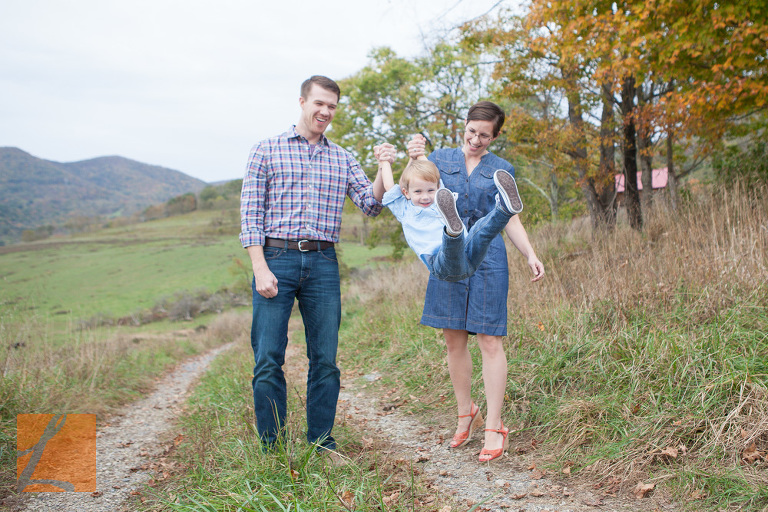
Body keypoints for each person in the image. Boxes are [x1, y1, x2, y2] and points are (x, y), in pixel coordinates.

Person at [239, 75, 383, 457]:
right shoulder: (266, 151)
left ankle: (322, 442)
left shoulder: (343, 157)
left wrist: (387, 168)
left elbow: (371, 204)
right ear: (302, 102)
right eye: (319, 103)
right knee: (268, 357)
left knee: (326, 359)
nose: (325, 112)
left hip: (322, 262)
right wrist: (259, 267)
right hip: (276, 259)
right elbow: (251, 214)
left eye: (332, 106)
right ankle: (273, 448)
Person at [406, 101, 545, 462]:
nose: (476, 140)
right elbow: (414, 190)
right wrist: (412, 157)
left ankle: (494, 425)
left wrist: (530, 253)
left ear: (495, 136)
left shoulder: (501, 168)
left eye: (485, 135)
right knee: (453, 338)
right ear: (464, 126)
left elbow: (511, 221)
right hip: (448, 252)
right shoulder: (441, 160)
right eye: (471, 132)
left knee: (489, 338)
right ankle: (465, 411)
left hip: (488, 259)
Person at [373, 148, 523, 282]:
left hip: (469, 256)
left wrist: (420, 155)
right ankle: (452, 232)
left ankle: (505, 210)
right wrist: (384, 161)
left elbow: (432, 172)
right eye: (418, 192)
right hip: (440, 263)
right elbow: (388, 186)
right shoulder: (404, 208)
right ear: (406, 193)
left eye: (430, 191)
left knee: (482, 232)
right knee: (450, 248)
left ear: (438, 187)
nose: (425, 197)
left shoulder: (440, 197)